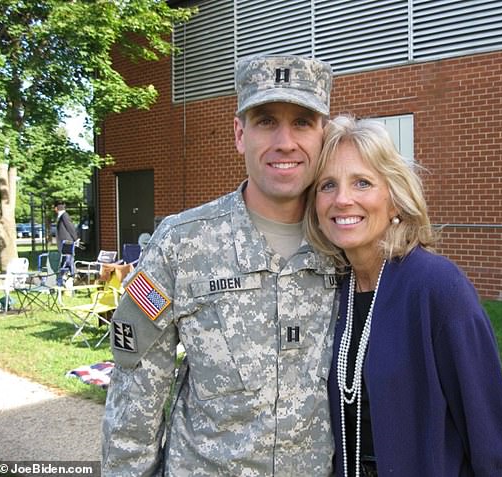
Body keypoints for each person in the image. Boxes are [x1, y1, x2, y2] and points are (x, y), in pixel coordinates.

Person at [101, 54, 338, 476]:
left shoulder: (344, 246)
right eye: (266, 121)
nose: (285, 141)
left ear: (324, 135)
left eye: (302, 122)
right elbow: (135, 385)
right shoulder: (179, 243)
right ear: (239, 133)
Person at [304, 115, 502, 476]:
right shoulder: (330, 289)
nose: (342, 199)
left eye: (362, 182)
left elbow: (494, 444)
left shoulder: (437, 288)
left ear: (394, 200)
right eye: (328, 185)